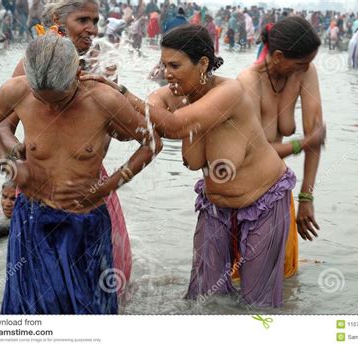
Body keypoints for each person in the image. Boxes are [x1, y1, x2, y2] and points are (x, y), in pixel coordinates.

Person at [84, 25, 296, 308]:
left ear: (203, 64)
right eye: (163, 65)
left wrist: (122, 91)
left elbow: (175, 125)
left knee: (257, 304)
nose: (166, 73)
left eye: (174, 65)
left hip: (264, 202)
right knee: (203, 300)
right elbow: (142, 124)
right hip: (215, 206)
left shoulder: (230, 91)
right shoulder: (172, 95)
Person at [0, 33, 162, 314]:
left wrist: (105, 187)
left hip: (86, 221)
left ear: (77, 74)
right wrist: (12, 166)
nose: (51, 106)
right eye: (43, 99)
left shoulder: (104, 100)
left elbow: (151, 142)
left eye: (59, 99)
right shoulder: (17, 90)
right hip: (32, 218)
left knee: (89, 308)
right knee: (31, 308)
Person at [0, 0, 133, 292]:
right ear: (58, 19)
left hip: (90, 184)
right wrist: (14, 160)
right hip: (38, 183)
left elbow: (118, 128)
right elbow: (4, 126)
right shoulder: (32, 63)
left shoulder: (102, 64)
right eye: (83, 20)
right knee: (39, 281)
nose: (92, 29)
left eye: (96, 21)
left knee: (97, 280)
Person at [237, 17, 326, 278]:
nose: (305, 68)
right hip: (244, 194)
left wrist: (306, 197)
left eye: (308, 63)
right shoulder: (248, 82)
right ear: (277, 56)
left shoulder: (304, 72)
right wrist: (300, 143)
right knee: (244, 284)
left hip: (278, 189)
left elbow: (316, 134)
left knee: (283, 281)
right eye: (300, 63)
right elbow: (253, 151)